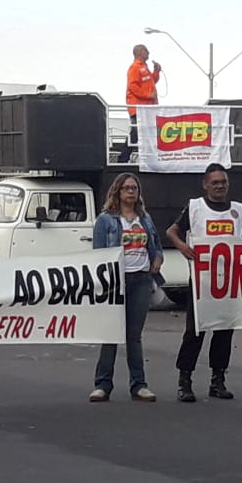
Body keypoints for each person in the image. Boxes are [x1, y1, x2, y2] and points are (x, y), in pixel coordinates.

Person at [166, 163, 242, 402]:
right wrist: (182, 247)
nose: (220, 186)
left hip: (229, 282)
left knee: (224, 331)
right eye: (215, 183)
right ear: (205, 185)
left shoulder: (239, 211)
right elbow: (171, 231)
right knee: (195, 331)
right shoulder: (195, 208)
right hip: (202, 281)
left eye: (223, 182)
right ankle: (184, 381)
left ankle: (217, 380)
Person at [89, 173, 163, 403]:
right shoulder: (106, 220)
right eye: (126, 188)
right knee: (111, 333)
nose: (131, 191)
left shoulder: (145, 219)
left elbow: (156, 245)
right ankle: (102, 385)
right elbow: (99, 253)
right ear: (117, 192)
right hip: (116, 282)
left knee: (134, 336)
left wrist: (157, 258)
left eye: (134, 188)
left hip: (141, 280)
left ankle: (139, 385)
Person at [125, 44, 161, 162]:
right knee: (136, 133)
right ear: (140, 52)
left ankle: (126, 157)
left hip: (146, 108)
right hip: (138, 108)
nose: (148, 53)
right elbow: (132, 86)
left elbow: (151, 82)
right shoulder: (135, 67)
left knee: (142, 134)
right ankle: (123, 158)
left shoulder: (144, 67)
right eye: (146, 50)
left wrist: (156, 71)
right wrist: (147, 95)